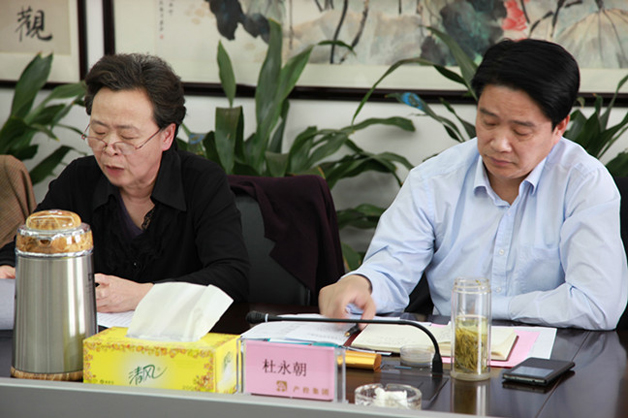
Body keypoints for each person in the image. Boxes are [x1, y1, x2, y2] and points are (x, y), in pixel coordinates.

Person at [319, 39, 628, 330]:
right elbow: (391, 269)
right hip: (452, 352)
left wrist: (484, 307)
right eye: (488, 122)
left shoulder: (584, 183)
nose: (500, 144)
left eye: (521, 131)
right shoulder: (434, 180)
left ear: (560, 126)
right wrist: (361, 284)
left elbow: (597, 304)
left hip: (558, 358)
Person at [0, 53, 250, 313]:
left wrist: (144, 295)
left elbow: (232, 277)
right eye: (99, 132)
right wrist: (8, 268)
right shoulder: (79, 178)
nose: (109, 148)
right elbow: (24, 246)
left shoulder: (202, 181)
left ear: (166, 135)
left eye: (127, 136)